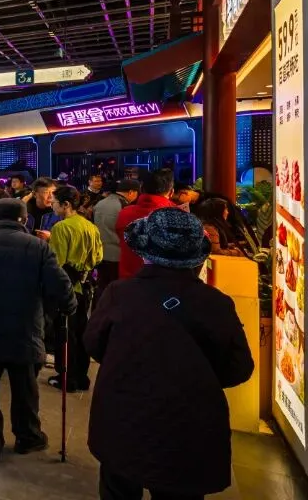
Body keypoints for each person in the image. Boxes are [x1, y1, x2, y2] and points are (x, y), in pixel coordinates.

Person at [86, 209, 254, 500]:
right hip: (189, 425)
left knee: (118, 488)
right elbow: (238, 368)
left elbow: (94, 344)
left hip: (123, 415)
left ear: (145, 254)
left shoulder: (119, 294)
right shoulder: (216, 303)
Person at [0, 198, 76, 467]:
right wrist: (68, 306)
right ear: (24, 219)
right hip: (25, 330)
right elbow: (59, 284)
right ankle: (28, 436)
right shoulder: (37, 247)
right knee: (25, 388)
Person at [47, 186, 102, 391]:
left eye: (54, 202)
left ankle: (66, 377)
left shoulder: (61, 228)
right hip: (86, 286)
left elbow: (57, 263)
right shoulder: (90, 226)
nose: (52, 206)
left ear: (66, 204)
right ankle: (81, 376)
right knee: (80, 331)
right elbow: (98, 256)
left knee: (64, 333)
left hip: (67, 287)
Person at [116, 169, 178, 279]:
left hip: (129, 280)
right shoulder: (177, 216)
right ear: (171, 192)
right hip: (163, 282)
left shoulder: (124, 213)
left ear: (142, 189)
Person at [92, 179, 140, 305]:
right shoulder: (124, 207)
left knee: (102, 287)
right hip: (117, 255)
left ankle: (99, 312)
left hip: (101, 253)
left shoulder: (100, 203)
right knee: (116, 290)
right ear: (131, 192)